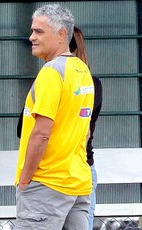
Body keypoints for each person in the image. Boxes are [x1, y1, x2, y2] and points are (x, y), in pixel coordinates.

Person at [14, 4, 94, 230]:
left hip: (46, 184)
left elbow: (40, 134)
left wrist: (25, 180)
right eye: (32, 31)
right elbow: (84, 132)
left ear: (61, 35)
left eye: (39, 32)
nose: (31, 38)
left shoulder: (51, 72)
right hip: (77, 183)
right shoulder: (81, 70)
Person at [70, 26, 103, 230]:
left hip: (74, 168)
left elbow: (81, 129)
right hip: (81, 167)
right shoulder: (93, 83)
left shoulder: (89, 83)